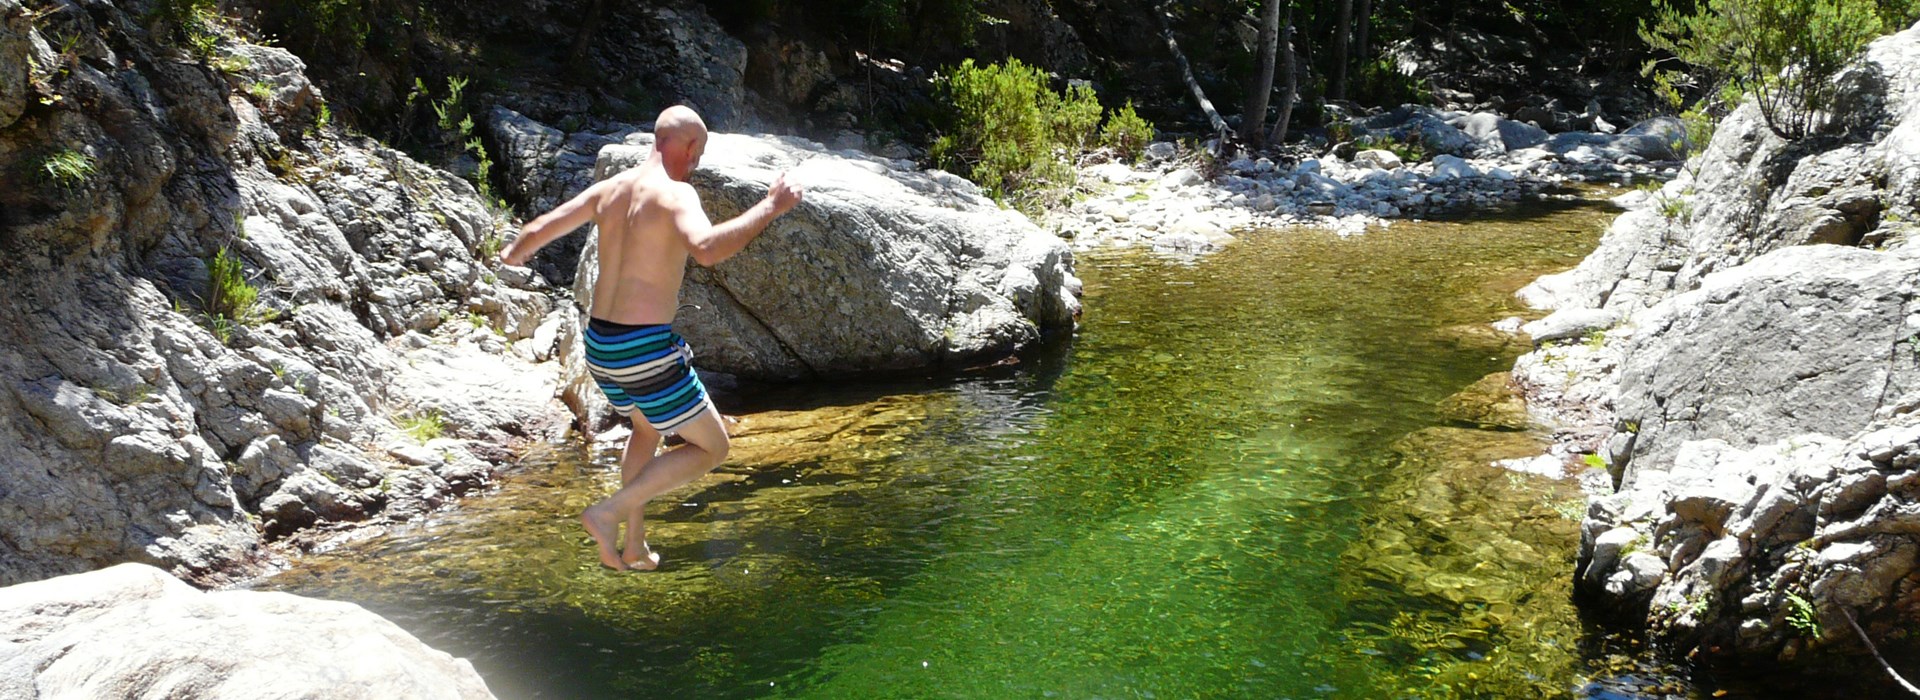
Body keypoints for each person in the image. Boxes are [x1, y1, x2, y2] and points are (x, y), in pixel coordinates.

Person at [499, 105, 802, 570]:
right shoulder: (676, 195)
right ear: (689, 147)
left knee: (646, 428)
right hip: (643, 349)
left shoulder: (609, 190)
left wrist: (511, 256)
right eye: (698, 153)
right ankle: (607, 514)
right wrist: (771, 206)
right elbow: (706, 250)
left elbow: (538, 230)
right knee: (712, 448)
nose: (697, 163)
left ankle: (635, 543)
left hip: (600, 345)